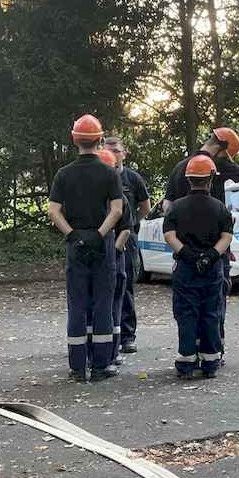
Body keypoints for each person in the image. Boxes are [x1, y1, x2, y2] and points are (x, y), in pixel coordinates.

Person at [163, 127, 239, 365]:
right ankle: (213, 354)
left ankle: (188, 355)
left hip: (184, 255)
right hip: (215, 254)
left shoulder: (180, 168)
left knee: (187, 308)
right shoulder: (215, 165)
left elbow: (167, 207)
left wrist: (183, 243)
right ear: (221, 149)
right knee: (213, 305)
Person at [48, 114, 123, 382]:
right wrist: (99, 234)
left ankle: (78, 367)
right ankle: (101, 366)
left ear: (74, 140)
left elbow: (54, 211)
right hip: (102, 244)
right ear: (99, 139)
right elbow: (117, 210)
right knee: (103, 304)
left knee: (77, 305)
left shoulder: (63, 174)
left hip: (76, 245)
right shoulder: (110, 173)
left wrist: (73, 236)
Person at [163, 155, 233, 379]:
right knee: (211, 314)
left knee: (186, 314)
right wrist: (210, 256)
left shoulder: (176, 208)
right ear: (210, 179)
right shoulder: (220, 208)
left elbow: (169, 235)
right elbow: (227, 236)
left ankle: (186, 362)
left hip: (185, 269)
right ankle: (210, 362)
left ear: (188, 179)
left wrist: (188, 255)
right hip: (212, 270)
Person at [104, 136, 151, 354]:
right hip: (103, 237)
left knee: (125, 287)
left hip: (126, 238)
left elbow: (145, 207)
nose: (112, 154)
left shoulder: (132, 178)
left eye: (116, 150)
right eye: (108, 150)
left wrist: (130, 224)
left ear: (124, 153)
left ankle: (127, 336)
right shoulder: (99, 177)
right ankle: (104, 335)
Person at [98, 148, 131, 365]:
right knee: (108, 307)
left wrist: (114, 251)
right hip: (108, 257)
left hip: (112, 258)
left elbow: (125, 230)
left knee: (114, 306)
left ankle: (111, 350)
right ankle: (105, 352)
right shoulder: (115, 198)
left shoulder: (120, 200)